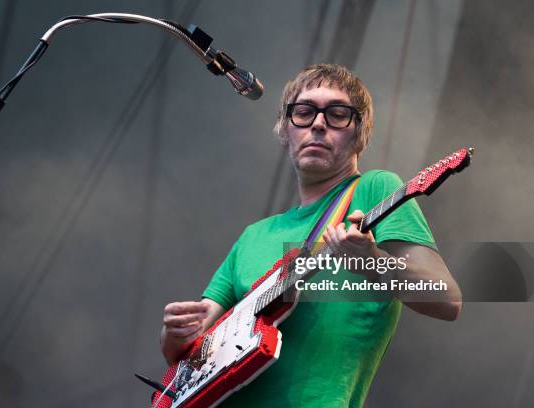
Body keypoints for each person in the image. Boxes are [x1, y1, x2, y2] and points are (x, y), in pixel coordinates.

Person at [160, 64, 462, 407]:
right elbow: (186, 359)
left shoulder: (376, 189)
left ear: (359, 133)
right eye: (303, 112)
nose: (318, 124)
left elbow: (446, 299)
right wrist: (174, 334)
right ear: (285, 130)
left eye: (337, 114)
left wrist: (373, 263)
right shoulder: (254, 235)